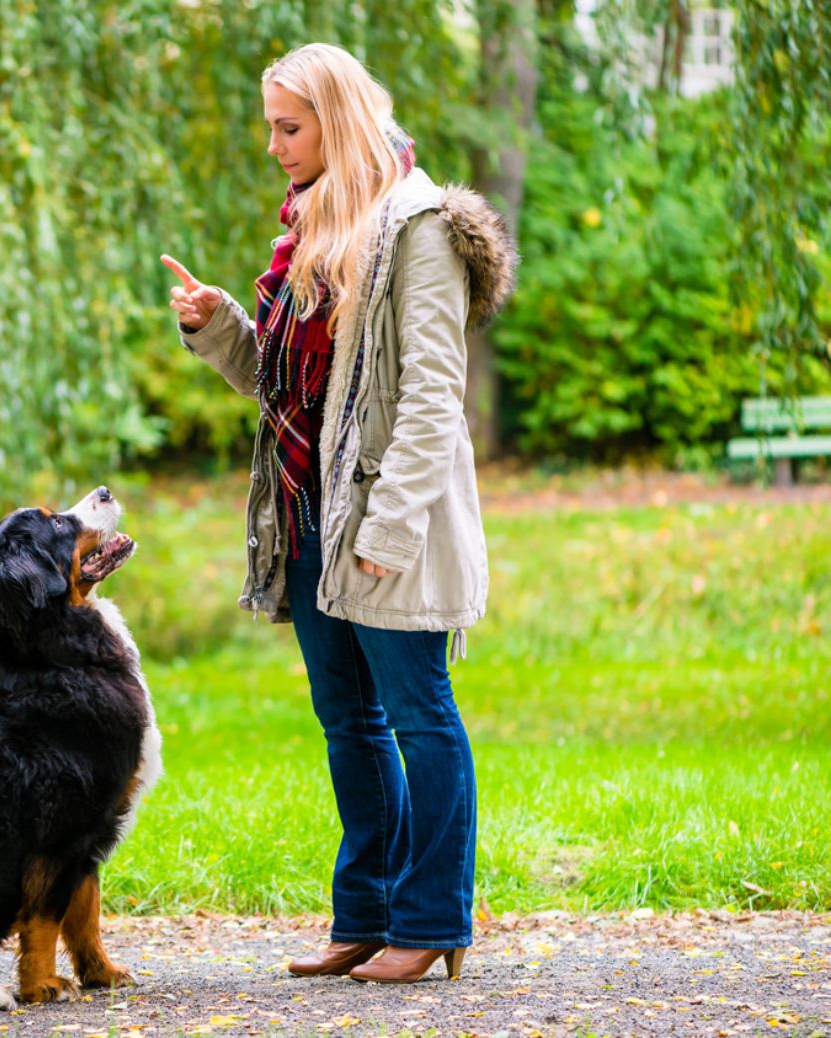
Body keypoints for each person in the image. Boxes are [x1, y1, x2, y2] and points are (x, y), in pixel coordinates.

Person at [161, 42, 517, 984]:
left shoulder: (421, 227)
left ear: (338, 118)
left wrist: (389, 531)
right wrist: (218, 325)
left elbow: (436, 396)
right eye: (271, 126)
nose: (274, 146)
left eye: (290, 126)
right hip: (308, 511)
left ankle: (435, 918)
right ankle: (365, 913)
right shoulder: (312, 228)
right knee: (348, 720)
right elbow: (283, 386)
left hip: (387, 522)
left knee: (418, 712)